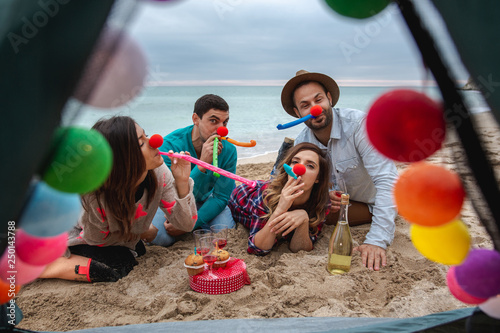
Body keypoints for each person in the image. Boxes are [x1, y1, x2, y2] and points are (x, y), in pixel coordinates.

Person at [40, 116, 197, 282]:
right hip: (76, 234)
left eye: (147, 135)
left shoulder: (159, 173)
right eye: (142, 143)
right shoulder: (94, 192)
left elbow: (186, 224)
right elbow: (95, 238)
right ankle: (50, 265)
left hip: (118, 237)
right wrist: (141, 230)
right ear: (122, 159)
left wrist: (182, 183)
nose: (155, 141)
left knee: (132, 254)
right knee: (120, 265)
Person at [279, 70, 398, 271]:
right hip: (340, 208)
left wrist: (377, 240)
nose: (315, 109)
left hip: (374, 202)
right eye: (305, 105)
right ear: (297, 113)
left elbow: (388, 181)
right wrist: (324, 194)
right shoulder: (302, 143)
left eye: (319, 99)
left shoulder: (360, 125)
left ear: (330, 98)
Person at [151, 94, 237, 247]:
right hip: (173, 202)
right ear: (196, 119)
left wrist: (189, 224)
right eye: (213, 121)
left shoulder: (228, 150)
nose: (222, 129)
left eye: (225, 122)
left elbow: (222, 197)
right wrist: (202, 164)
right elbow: (173, 195)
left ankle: (196, 227)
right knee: (160, 238)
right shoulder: (169, 146)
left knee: (225, 231)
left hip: (206, 199)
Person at [229, 142, 331, 255]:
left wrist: (304, 219)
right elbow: (257, 249)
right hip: (239, 198)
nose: (299, 169)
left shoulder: (322, 202)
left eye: (310, 166)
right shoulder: (267, 195)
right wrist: (281, 208)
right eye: (295, 162)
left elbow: (300, 249)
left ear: (318, 177)